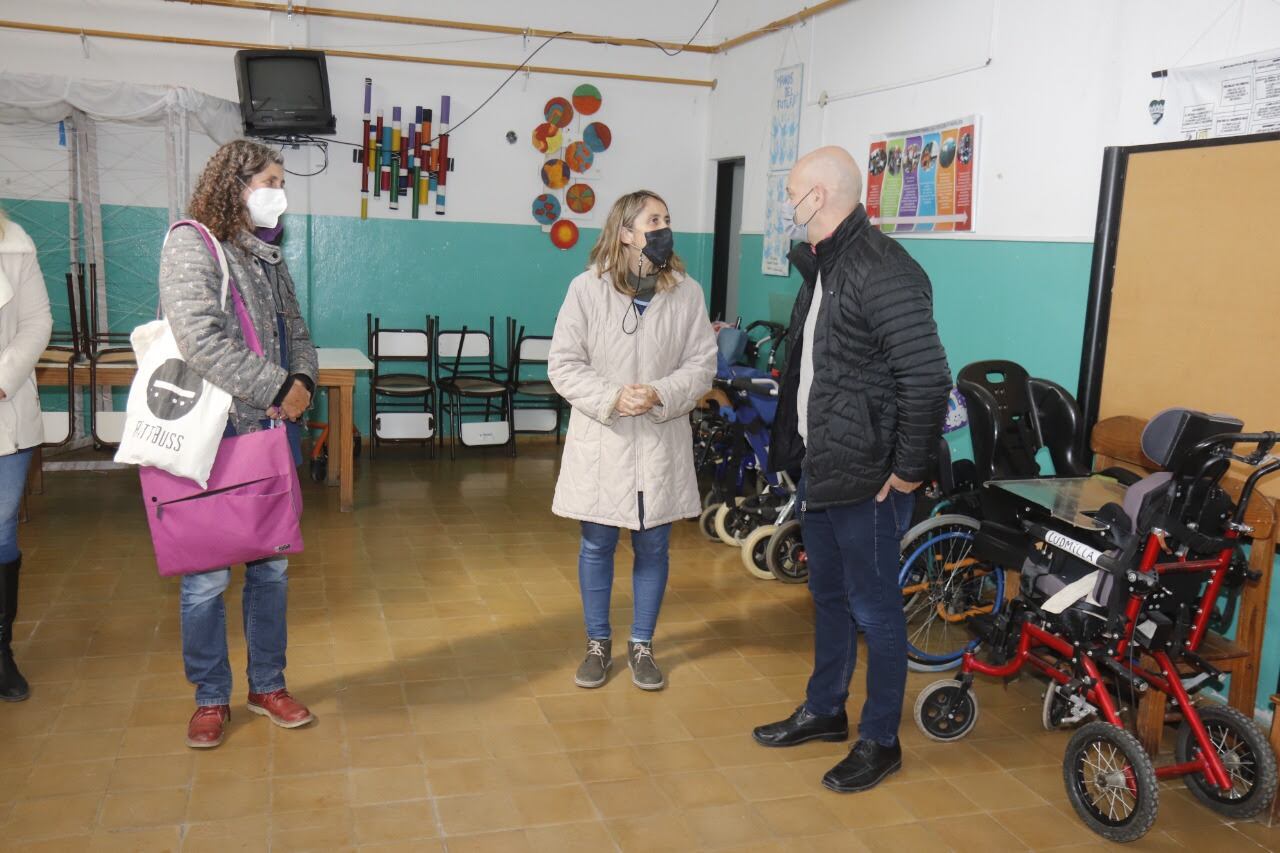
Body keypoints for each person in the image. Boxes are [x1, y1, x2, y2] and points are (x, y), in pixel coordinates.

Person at [751, 147, 951, 793]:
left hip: (870, 475)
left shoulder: (884, 269)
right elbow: (816, 369)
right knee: (828, 595)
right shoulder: (824, 266)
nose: (787, 205)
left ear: (818, 196)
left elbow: (926, 376)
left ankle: (880, 739)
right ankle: (825, 709)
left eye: (791, 193)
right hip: (824, 464)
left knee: (875, 608)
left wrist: (910, 470)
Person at [160, 139, 318, 748]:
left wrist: (301, 379)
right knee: (204, 579)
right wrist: (278, 385)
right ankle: (208, 697)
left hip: (269, 434)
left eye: (282, 181)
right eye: (268, 180)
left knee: (271, 569)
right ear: (235, 185)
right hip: (212, 438)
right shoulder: (190, 243)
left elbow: (297, 331)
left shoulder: (270, 257)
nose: (278, 191)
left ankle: (267, 684)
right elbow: (200, 340)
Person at [548, 190, 716, 691]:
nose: (664, 227)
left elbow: (702, 365)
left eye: (667, 218)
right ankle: (597, 644)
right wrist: (613, 398)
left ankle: (642, 644)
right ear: (625, 232)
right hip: (605, 438)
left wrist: (661, 393)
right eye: (653, 219)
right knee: (597, 544)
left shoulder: (686, 293)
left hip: (660, 438)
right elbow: (563, 364)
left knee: (655, 546)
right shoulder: (586, 290)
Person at [0, 208, 53, 702]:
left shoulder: (15, 242)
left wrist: (2, 381)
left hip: (5, 407)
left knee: (0, 529)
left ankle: (1, 652)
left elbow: (37, 322)